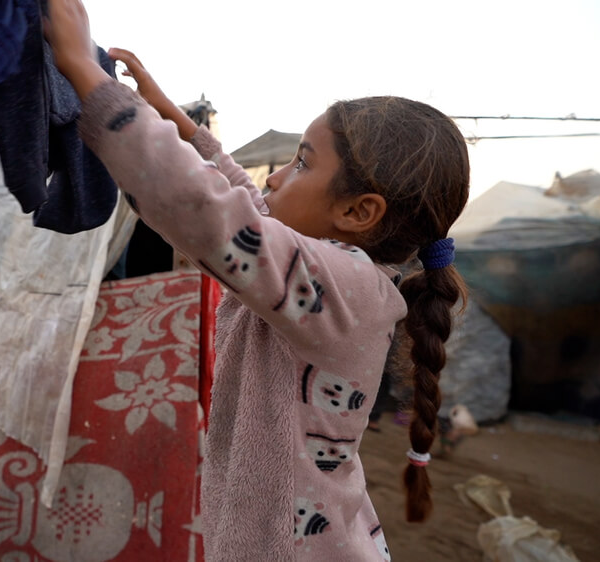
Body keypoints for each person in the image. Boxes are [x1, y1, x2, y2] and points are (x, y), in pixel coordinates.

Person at [44, 0, 470, 559]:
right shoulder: (328, 270)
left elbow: (211, 214)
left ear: (359, 213)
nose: (276, 179)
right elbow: (243, 196)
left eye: (302, 163)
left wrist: (87, 75)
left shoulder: (346, 287)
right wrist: (167, 111)